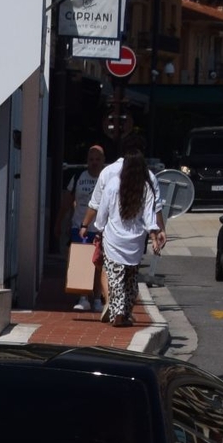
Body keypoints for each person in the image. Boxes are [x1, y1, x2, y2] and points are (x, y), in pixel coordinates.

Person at [80, 140, 165, 327]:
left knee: (115, 277)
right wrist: (154, 236)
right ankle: (125, 312)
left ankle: (116, 312)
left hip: (114, 239)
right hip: (135, 241)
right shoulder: (146, 187)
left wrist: (99, 228)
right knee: (131, 279)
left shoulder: (113, 184)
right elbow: (149, 215)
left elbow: (102, 211)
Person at [66, 143, 107, 312]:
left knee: (98, 264)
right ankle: (83, 297)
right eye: (91, 159)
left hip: (99, 229)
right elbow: (67, 200)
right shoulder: (78, 176)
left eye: (98, 159)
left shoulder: (107, 178)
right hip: (79, 227)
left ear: (103, 160)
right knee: (82, 263)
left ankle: (97, 298)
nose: (94, 162)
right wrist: (59, 222)